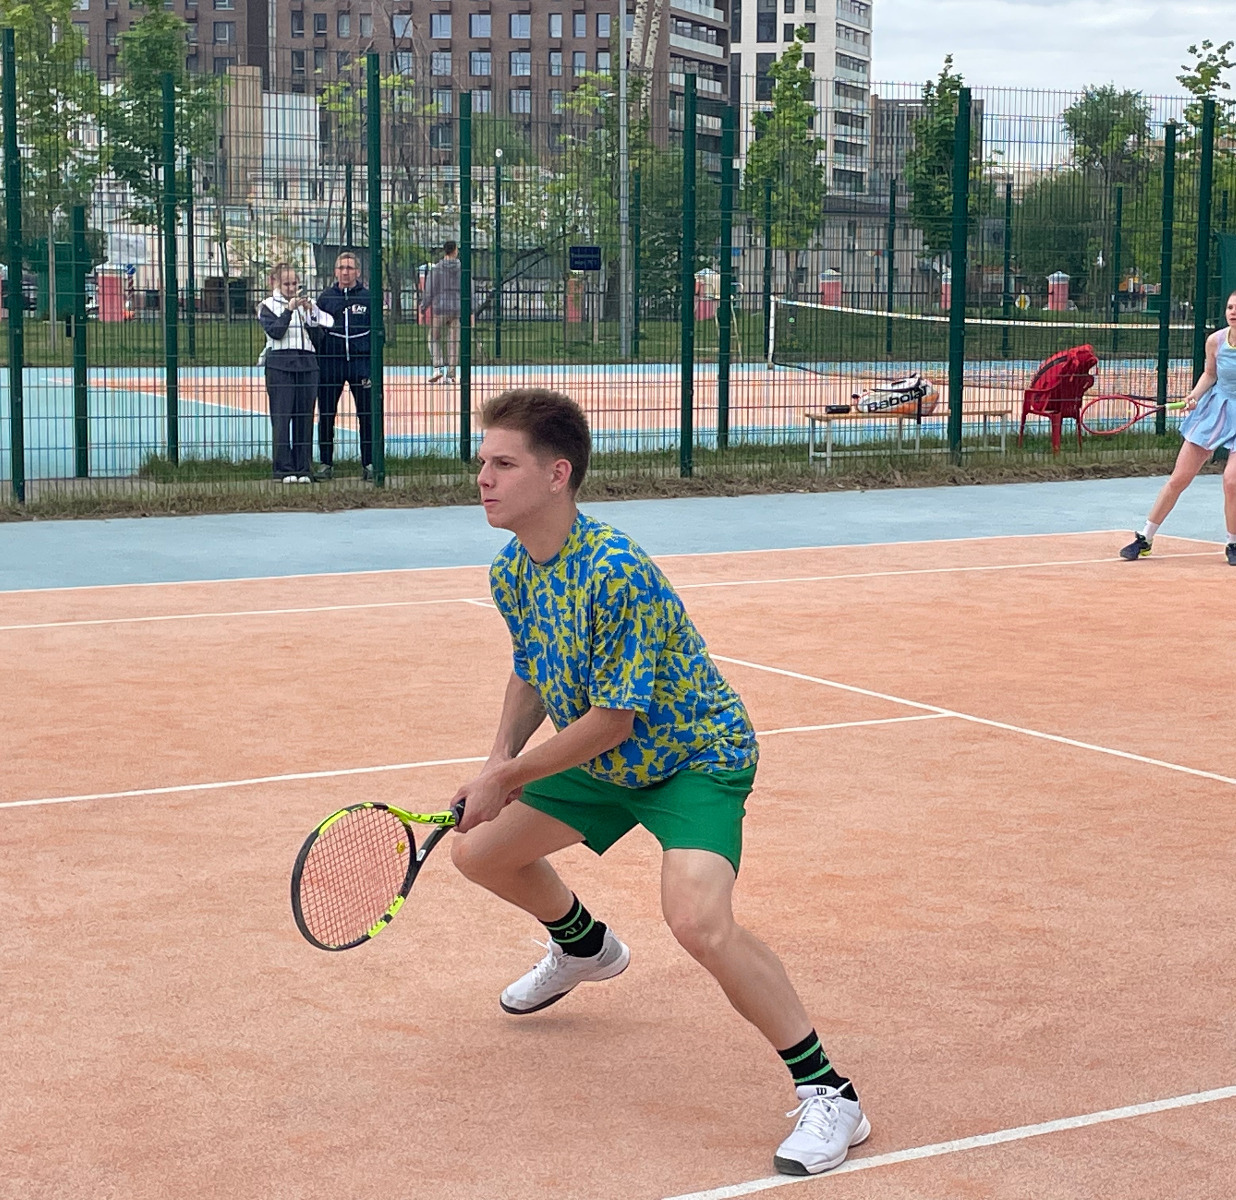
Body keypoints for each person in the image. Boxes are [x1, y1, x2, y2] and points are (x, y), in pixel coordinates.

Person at [448, 389, 870, 1178]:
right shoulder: (514, 571)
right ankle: (584, 949)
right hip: (599, 764)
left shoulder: (616, 571)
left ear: (557, 475)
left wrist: (510, 775)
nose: (484, 478)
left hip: (690, 758)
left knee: (699, 923)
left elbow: (614, 718)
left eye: (503, 463)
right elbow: (532, 671)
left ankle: (831, 1095)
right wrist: (494, 763)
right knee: (478, 856)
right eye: (483, 463)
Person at [1121, 287, 1236, 566]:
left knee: (1231, 481)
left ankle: (1232, 544)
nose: (1233, 312)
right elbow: (1210, 374)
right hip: (1215, 410)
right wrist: (1194, 395)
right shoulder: (1215, 341)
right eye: (1230, 307)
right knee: (1179, 479)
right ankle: (1145, 538)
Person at [258, 263, 332, 484]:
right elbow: (276, 332)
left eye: (294, 283)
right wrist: (289, 310)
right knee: (282, 418)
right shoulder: (267, 306)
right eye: (287, 284)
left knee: (304, 418)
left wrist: (311, 316)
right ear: (275, 283)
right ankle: (283, 469)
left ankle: (303, 468)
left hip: (307, 364)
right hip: (280, 365)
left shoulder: (307, 306)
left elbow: (319, 340)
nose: (292, 288)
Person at [315, 253, 375, 482]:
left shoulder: (369, 298)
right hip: (331, 363)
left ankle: (369, 463)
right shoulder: (325, 299)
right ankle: (325, 463)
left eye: (350, 267)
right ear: (335, 271)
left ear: (358, 272)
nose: (345, 272)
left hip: (361, 364)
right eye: (341, 267)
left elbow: (378, 332)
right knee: (326, 414)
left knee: (367, 414)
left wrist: (367, 352)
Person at [420, 241, 461, 384]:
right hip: (457, 307)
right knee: (454, 341)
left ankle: (438, 367)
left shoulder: (437, 268)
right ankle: (451, 374)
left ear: (444, 251)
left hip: (440, 307)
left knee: (434, 337)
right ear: (455, 250)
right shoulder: (462, 268)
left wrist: (423, 306)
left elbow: (430, 289)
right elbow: (469, 287)